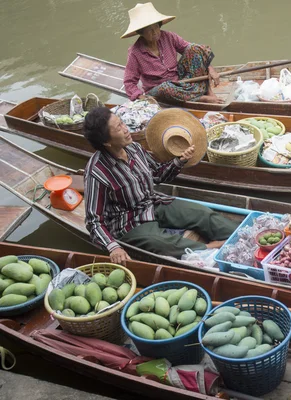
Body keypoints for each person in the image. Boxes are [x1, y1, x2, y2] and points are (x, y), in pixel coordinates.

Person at [83, 107, 238, 264]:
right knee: (161, 242)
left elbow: (157, 175)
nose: (126, 129)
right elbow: (94, 221)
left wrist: (180, 160)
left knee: (201, 212)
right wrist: (113, 247)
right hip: (127, 222)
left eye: (122, 123)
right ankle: (210, 248)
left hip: (153, 202)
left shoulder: (134, 148)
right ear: (106, 142)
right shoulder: (97, 172)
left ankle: (238, 235)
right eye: (118, 127)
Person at [121, 2, 224, 104]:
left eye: (156, 27)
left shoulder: (169, 37)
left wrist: (211, 70)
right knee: (166, 87)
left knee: (194, 48)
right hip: (160, 89)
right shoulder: (135, 52)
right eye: (149, 30)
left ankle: (207, 90)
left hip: (179, 79)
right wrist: (140, 96)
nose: (155, 32)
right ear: (141, 32)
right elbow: (129, 82)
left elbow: (195, 52)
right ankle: (202, 98)